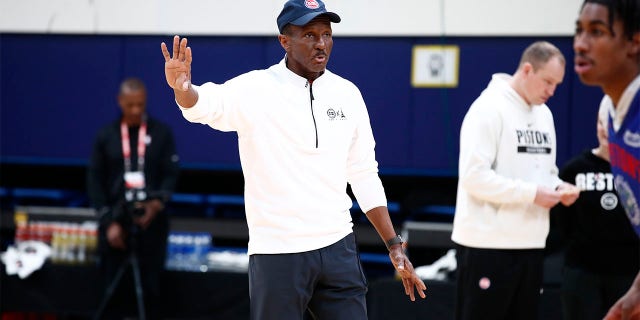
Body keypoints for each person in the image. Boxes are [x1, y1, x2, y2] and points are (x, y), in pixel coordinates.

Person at [160, 0, 426, 319]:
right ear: (284, 41)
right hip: (278, 252)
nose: (321, 44)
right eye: (310, 35)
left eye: (327, 34)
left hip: (338, 246)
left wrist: (394, 245)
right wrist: (182, 88)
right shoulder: (256, 88)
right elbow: (203, 106)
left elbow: (364, 173)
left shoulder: (348, 94)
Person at [451, 41, 581, 320]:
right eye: (547, 81)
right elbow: (474, 178)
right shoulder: (487, 108)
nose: (552, 91)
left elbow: (545, 171)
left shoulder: (544, 114)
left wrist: (558, 187)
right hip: (487, 247)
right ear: (527, 69)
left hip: (531, 245)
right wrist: (532, 193)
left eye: (557, 84)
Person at [87, 77, 179, 319]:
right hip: (116, 223)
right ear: (120, 102)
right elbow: (94, 181)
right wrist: (108, 222)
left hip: (151, 224)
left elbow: (171, 175)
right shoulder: (106, 135)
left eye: (141, 104)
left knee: (151, 289)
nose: (136, 110)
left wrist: (156, 205)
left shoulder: (161, 133)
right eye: (131, 105)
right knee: (112, 289)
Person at [573, 1, 640, 319]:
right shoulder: (614, 115)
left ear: (634, 42)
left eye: (597, 32)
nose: (580, 44)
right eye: (579, 31)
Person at [548, 103, 639, 320]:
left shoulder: (634, 169)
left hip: (628, 274)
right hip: (582, 274)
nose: (605, 129)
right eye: (601, 122)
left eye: (611, 123)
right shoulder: (574, 170)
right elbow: (561, 226)